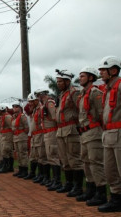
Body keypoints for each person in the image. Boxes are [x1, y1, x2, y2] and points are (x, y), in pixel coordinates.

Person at [76, 67, 107, 206]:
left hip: (94, 132)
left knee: (96, 162)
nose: (80, 78)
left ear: (90, 77)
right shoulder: (82, 94)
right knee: (86, 162)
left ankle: (101, 193)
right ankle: (91, 189)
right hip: (84, 133)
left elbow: (102, 113)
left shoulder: (95, 93)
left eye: (83, 76)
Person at [97, 56, 121, 212]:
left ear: (113, 70)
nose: (101, 74)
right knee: (110, 170)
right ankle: (116, 199)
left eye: (103, 71)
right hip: (108, 134)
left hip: (119, 133)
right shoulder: (107, 89)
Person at [55, 69, 84, 197]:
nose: (58, 83)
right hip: (61, 130)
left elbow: (81, 109)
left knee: (74, 159)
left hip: (71, 129)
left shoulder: (74, 92)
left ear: (67, 81)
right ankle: (69, 184)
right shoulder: (62, 94)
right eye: (57, 81)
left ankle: (78, 187)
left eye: (60, 81)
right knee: (64, 159)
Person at [34, 88, 62, 191]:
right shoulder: (43, 105)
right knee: (49, 156)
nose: (38, 98)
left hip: (51, 132)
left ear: (43, 95)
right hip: (47, 132)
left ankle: (57, 181)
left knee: (53, 155)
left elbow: (55, 117)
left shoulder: (49, 103)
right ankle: (53, 179)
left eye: (39, 95)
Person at [29, 93, 49, 185]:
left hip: (40, 134)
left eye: (31, 101)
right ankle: (40, 175)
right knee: (37, 156)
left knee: (42, 156)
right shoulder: (34, 110)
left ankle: (45, 177)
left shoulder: (41, 109)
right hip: (35, 135)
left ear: (36, 101)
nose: (30, 103)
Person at [11, 100, 29, 178]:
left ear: (20, 107)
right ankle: (20, 169)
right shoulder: (13, 117)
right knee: (18, 154)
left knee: (23, 154)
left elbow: (26, 128)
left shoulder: (22, 116)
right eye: (13, 106)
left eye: (16, 106)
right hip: (16, 137)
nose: (15, 108)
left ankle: (25, 170)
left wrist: (22, 135)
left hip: (21, 137)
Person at [0, 105, 14, 174]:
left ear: (1, 110)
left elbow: (11, 126)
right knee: (7, 151)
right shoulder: (3, 117)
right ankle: (9, 167)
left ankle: (6, 167)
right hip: (4, 135)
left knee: (5, 150)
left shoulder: (7, 117)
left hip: (7, 136)